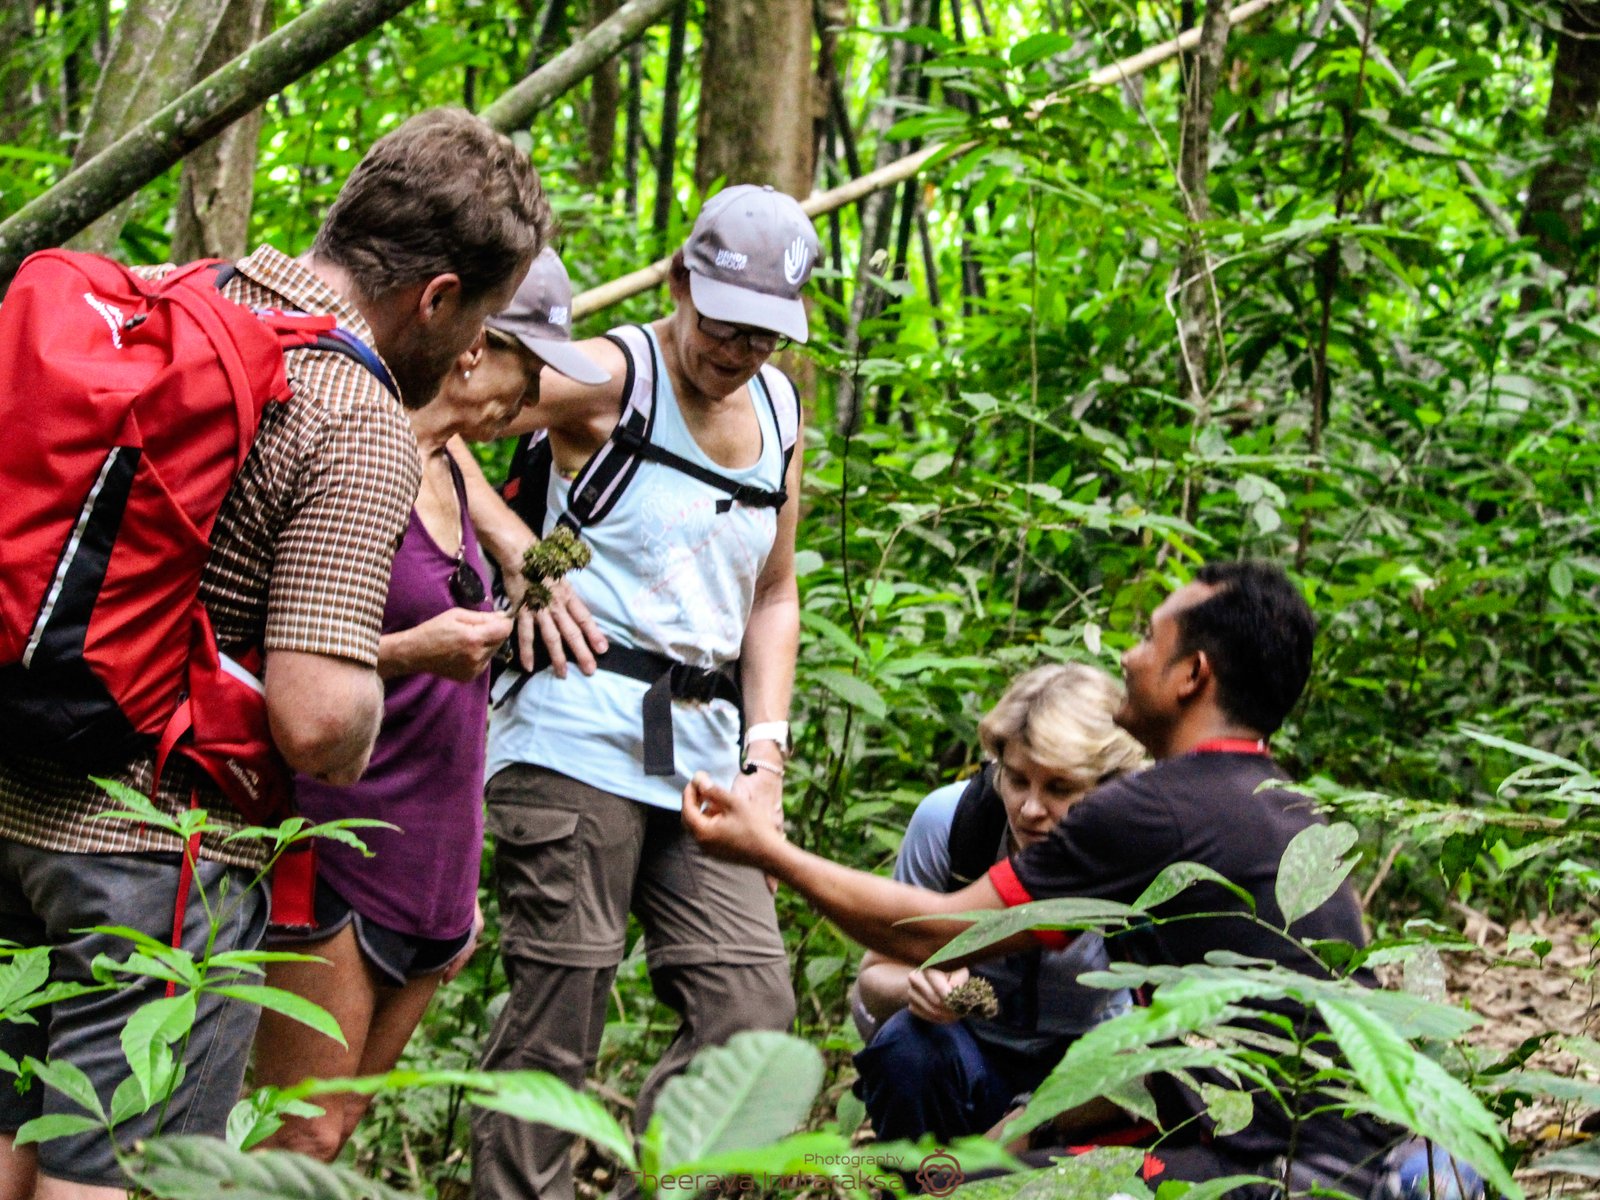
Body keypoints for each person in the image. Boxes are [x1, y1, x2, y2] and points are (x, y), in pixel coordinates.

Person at [0, 108, 547, 1199]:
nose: (470, 348)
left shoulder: (165, 298)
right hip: (160, 858)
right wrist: (394, 691)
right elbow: (317, 721)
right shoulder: (357, 414)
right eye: (479, 318)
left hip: (14, 797)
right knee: (116, 1170)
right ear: (438, 297)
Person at [685, 562, 1400, 1196]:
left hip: (1264, 1173)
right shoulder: (1277, 804)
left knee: (979, 1192)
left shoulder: (1157, 810)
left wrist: (768, 850)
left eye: (1150, 639)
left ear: (1193, 674)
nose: (1127, 654)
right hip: (1334, 1156)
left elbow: (937, 933)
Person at [459, 184, 819, 1200]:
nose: (737, 348)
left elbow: (775, 592)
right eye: (721, 322)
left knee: (753, 1019)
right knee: (559, 1021)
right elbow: (434, 413)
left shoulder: (782, 411)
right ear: (678, 284)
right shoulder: (611, 374)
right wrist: (516, 546)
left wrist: (768, 756)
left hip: (702, 753)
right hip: (575, 723)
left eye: (762, 333)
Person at [251, 248, 609, 1163]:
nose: (524, 400)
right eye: (523, 372)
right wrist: (416, 650)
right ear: (469, 346)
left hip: (434, 866)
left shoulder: (453, 464)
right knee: (300, 1133)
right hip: (334, 848)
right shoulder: (350, 450)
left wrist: (464, 877)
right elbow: (269, 660)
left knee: (342, 1131)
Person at [850, 663, 1145, 1144]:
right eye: (1016, 780)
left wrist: (1028, 1127)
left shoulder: (1138, 850)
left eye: (1059, 788)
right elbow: (872, 980)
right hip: (968, 1056)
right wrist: (916, 989)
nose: (1030, 809)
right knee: (906, 1045)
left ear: (1108, 787)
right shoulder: (953, 824)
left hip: (1089, 1072)